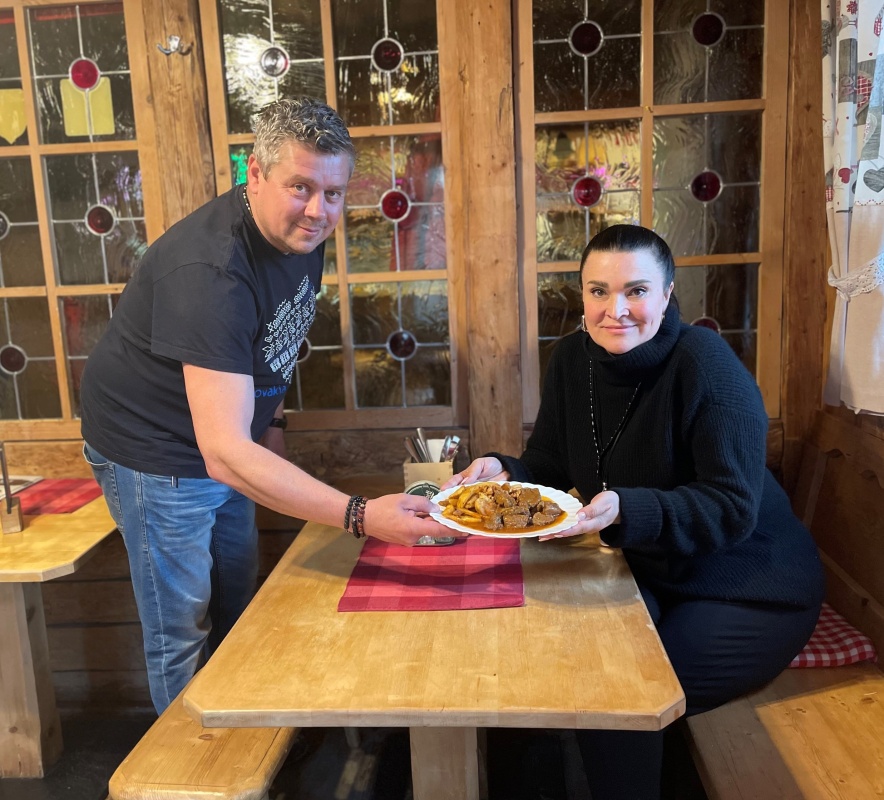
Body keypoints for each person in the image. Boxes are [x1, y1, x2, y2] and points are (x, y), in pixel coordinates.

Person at [79, 98, 452, 714]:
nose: (319, 210)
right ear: (255, 173)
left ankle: (241, 734)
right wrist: (361, 515)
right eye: (300, 187)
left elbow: (272, 340)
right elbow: (224, 454)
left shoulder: (302, 233)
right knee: (183, 630)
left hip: (229, 441)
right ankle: (190, 758)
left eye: (333, 193)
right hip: (154, 451)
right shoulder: (210, 272)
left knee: (237, 596)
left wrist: (272, 423)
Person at [445, 224, 825, 799]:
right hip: (644, 568)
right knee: (543, 656)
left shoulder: (706, 365)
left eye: (636, 291)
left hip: (747, 585)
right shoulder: (571, 359)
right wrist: (505, 469)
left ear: (668, 294)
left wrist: (628, 507)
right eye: (598, 291)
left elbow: (732, 507)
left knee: (619, 696)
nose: (615, 310)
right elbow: (550, 461)